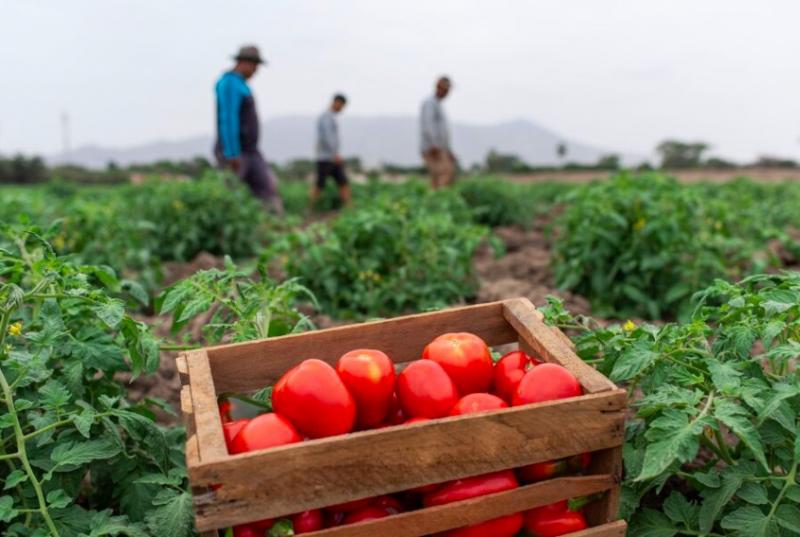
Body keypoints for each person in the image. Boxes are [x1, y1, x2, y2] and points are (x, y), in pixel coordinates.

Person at [214, 45, 283, 214]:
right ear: (243, 63)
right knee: (229, 195)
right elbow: (228, 118)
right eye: (254, 66)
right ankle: (226, 234)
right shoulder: (230, 83)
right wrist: (232, 152)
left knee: (267, 189)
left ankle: (275, 233)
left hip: (251, 151)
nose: (256, 71)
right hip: (237, 152)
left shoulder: (241, 85)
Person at [312, 94, 351, 207]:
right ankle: (311, 207)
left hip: (330, 157)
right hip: (327, 157)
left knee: (342, 182)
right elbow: (327, 137)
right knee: (321, 184)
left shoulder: (329, 117)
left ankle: (348, 207)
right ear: (336, 102)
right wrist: (335, 154)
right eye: (342, 106)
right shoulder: (326, 117)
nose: (342, 109)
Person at [420, 76, 457, 188]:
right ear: (438, 86)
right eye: (445, 88)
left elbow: (442, 131)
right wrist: (433, 145)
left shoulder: (438, 105)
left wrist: (449, 150)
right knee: (443, 175)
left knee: (444, 176)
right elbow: (428, 125)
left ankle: (437, 200)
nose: (447, 92)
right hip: (434, 149)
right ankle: (438, 201)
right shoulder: (430, 103)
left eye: (448, 89)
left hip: (441, 148)